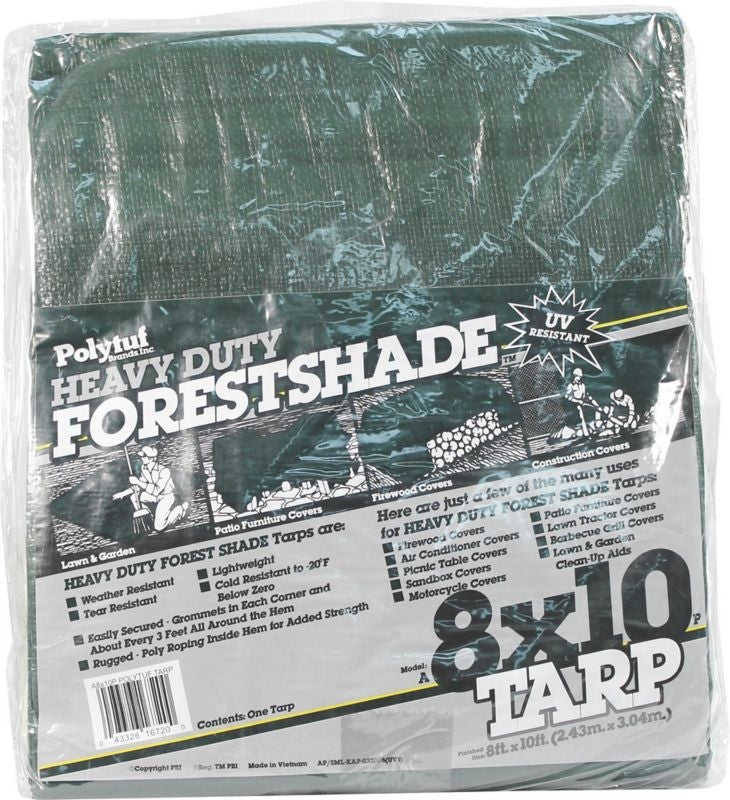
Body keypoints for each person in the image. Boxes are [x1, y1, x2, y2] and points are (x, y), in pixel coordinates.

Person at [129, 446, 189, 532]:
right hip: (155, 497)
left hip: (166, 497)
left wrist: (137, 482)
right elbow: (141, 485)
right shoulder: (144, 468)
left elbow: (156, 490)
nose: (141, 458)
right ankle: (149, 518)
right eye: (141, 456)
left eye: (144, 456)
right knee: (134, 497)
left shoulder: (164, 471)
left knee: (158, 527)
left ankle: (180, 509)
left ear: (151, 458)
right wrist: (123, 493)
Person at [563, 367, 598, 437]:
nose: (579, 378)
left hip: (584, 403)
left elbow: (586, 395)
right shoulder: (571, 385)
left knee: (595, 410)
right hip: (574, 405)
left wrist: (594, 403)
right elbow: (568, 396)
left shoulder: (583, 385)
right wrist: (577, 401)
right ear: (574, 376)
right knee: (582, 415)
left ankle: (595, 429)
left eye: (580, 376)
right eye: (577, 376)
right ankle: (586, 434)